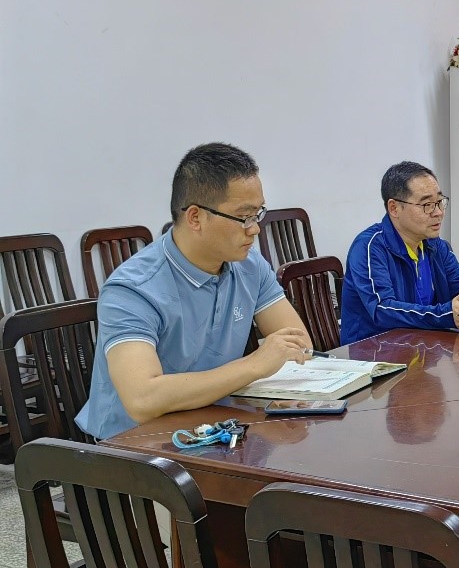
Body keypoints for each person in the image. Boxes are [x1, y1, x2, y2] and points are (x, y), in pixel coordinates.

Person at [76, 143, 313, 441]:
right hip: (135, 445)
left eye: (258, 214)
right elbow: (143, 400)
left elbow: (298, 345)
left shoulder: (249, 265)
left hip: (216, 427)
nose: (255, 229)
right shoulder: (133, 289)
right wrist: (254, 366)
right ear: (195, 218)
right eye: (244, 216)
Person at [340, 162, 459, 344]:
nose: (438, 212)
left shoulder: (434, 245)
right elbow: (383, 309)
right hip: (373, 354)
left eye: (440, 202)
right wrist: (445, 314)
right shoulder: (369, 247)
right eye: (427, 205)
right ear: (394, 208)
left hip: (420, 348)